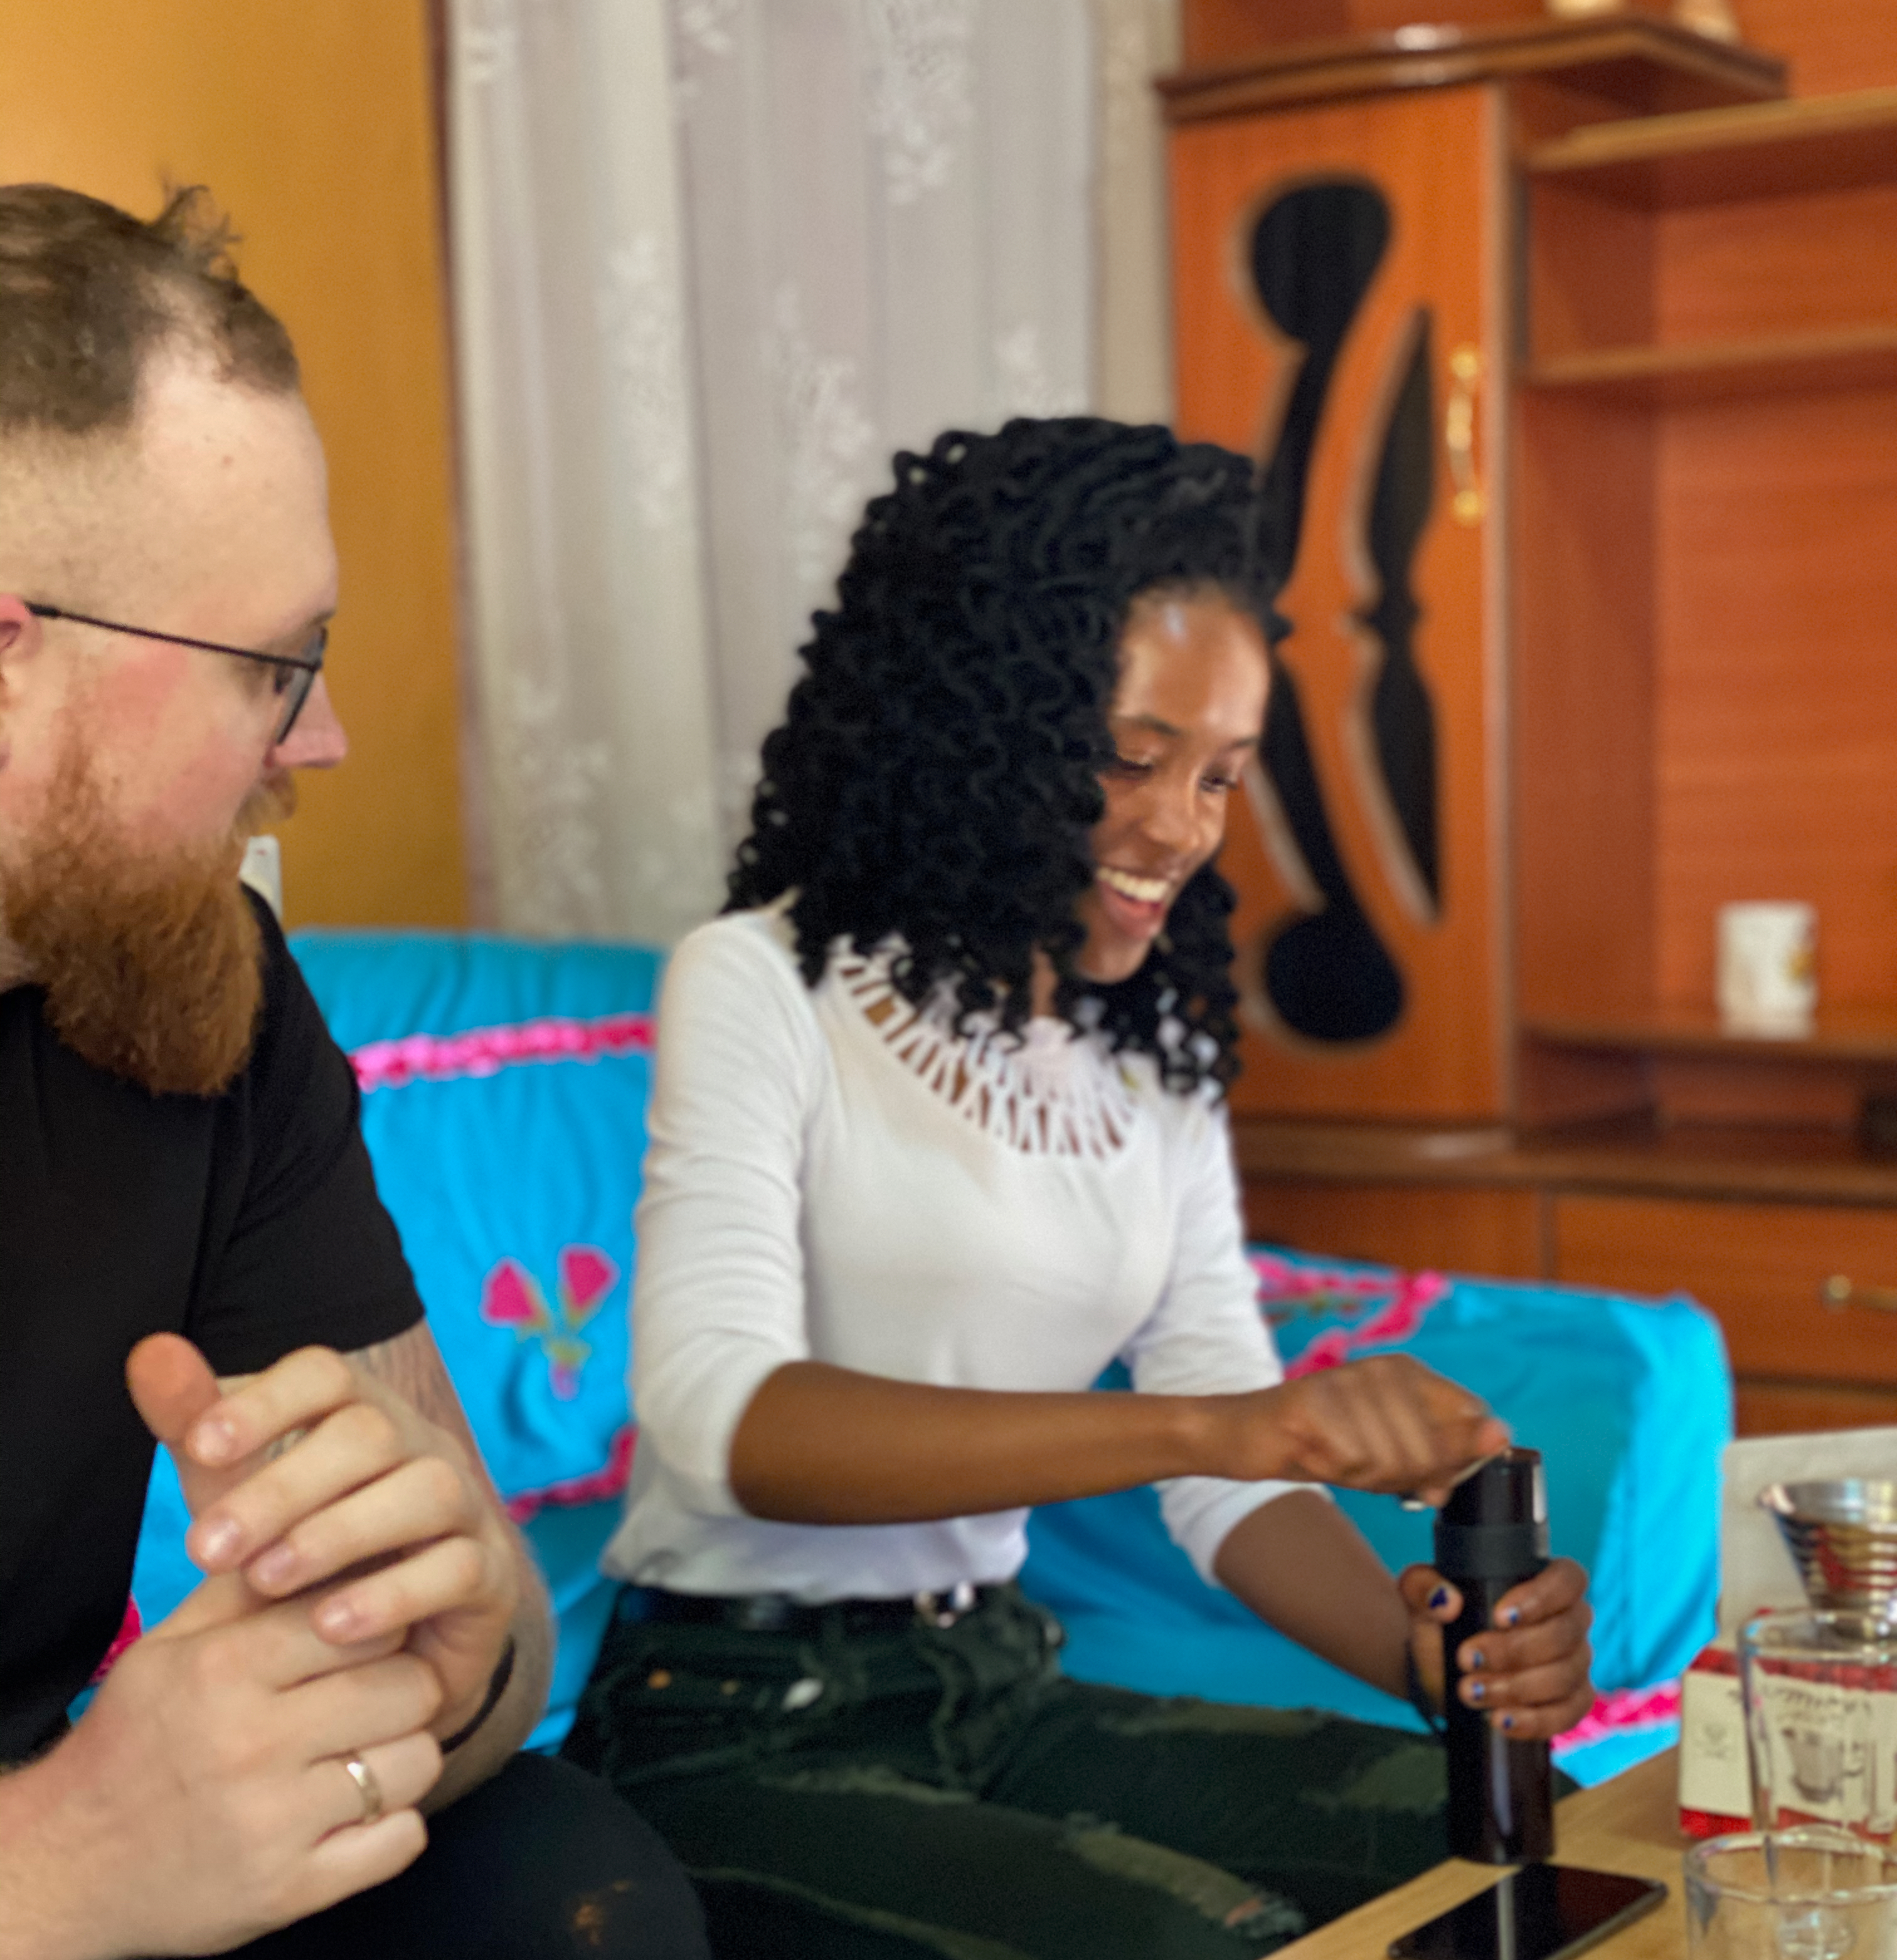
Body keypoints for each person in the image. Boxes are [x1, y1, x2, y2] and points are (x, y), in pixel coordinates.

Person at [561, 418, 1596, 1959]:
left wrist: (1434, 1655)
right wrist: (1223, 1422)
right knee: (1208, 1939)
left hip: (999, 1679)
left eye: (1224, 778)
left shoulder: (1150, 1063)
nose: (1180, 825)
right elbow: (721, 1421)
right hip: (733, 1721)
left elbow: (1229, 1466)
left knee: (1508, 1849)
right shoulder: (764, 983)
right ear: (978, 716)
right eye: (1132, 756)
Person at [0, 184, 706, 1959]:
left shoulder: (197, 995)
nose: (321, 739)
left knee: (566, 1899)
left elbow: (491, 1645)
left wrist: (453, 1642)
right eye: (272, 665)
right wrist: (59, 1869)